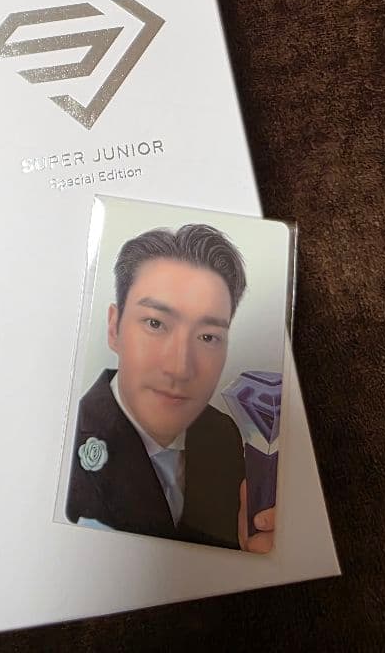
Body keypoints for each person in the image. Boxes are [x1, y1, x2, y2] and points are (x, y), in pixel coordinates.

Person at [65, 223, 275, 552]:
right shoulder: (63, 442)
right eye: (155, 323)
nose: (180, 367)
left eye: (208, 337)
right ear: (114, 328)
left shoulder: (223, 433)